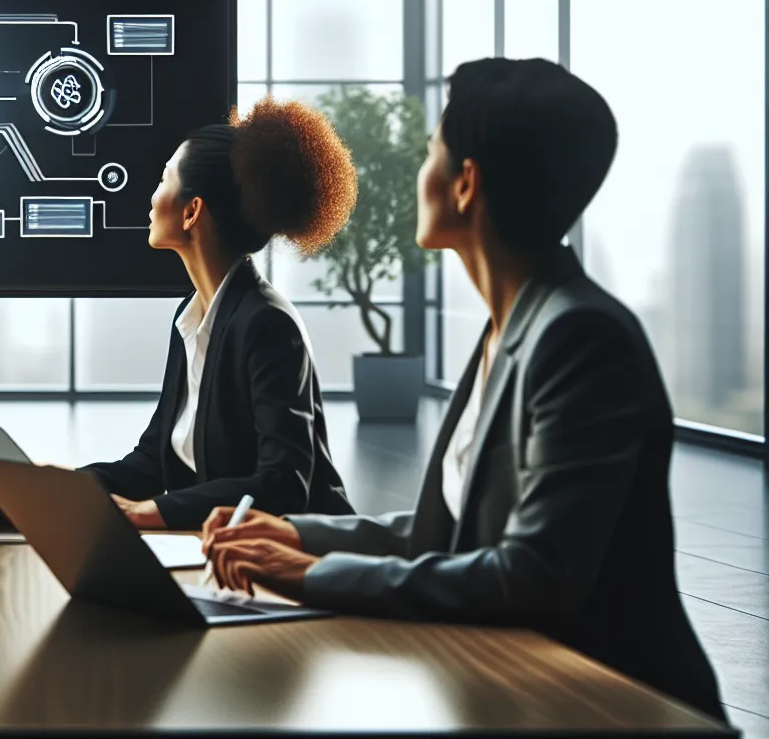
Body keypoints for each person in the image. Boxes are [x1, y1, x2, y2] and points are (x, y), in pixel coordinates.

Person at [201, 59, 724, 721]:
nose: (422, 173)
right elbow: (442, 534)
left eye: (431, 154)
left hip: (607, 702)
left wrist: (308, 576)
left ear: (466, 184)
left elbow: (530, 575)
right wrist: (298, 535)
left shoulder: (580, 338)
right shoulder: (508, 329)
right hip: (513, 681)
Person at [0, 98, 358, 529]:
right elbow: (151, 465)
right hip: (220, 552)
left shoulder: (268, 324)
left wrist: (154, 513)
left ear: (191, 211)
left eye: (164, 179)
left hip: (301, 564)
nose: (151, 195)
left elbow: (283, 484)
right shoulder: (192, 316)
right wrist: (35, 489)